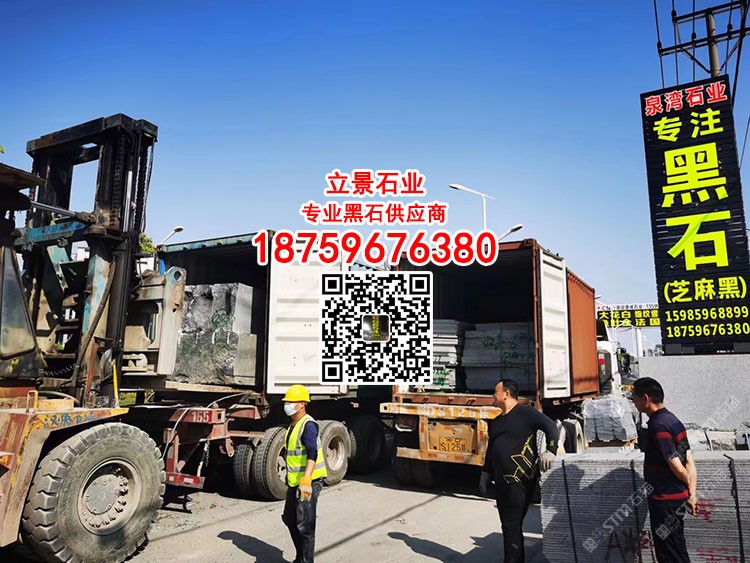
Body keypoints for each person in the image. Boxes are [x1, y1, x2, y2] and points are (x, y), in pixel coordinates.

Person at [479, 378, 559, 563]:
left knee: (511, 525)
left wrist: (551, 450)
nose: (493, 395)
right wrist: (485, 473)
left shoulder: (526, 413)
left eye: (495, 392)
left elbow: (550, 426)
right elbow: (492, 450)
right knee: (509, 526)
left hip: (520, 482)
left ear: (506, 394)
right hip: (501, 483)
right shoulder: (497, 421)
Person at [631, 377, 696, 563]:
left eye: (634, 398)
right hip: (676, 500)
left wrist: (687, 483)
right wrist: (691, 494)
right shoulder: (673, 420)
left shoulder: (658, 425)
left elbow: (675, 463)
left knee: (669, 554)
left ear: (645, 398)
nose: (634, 403)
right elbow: (689, 460)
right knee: (676, 549)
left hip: (665, 502)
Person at [281, 385, 327, 563]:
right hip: (295, 482)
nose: (287, 405)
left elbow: (312, 453)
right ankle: (301, 558)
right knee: (289, 519)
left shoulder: (308, 425)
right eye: (287, 402)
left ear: (302, 404)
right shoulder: (294, 425)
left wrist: (307, 478)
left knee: (305, 525)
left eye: (291, 402)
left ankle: (306, 561)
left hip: (309, 482)